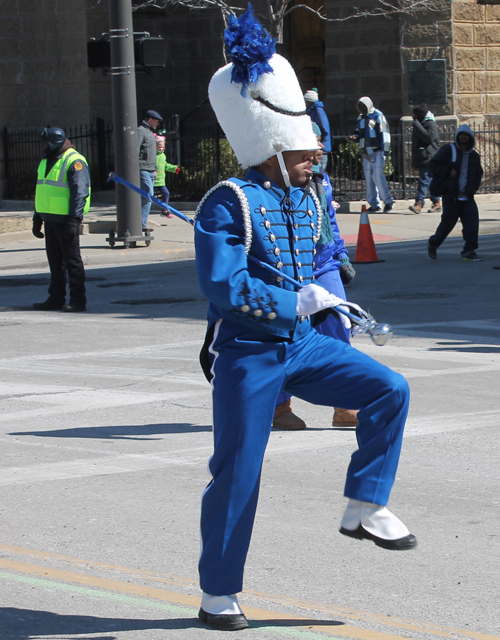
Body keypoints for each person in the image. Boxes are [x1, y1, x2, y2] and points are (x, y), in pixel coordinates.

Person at [194, 7, 416, 632]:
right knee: (237, 472)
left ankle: (364, 505)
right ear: (269, 145)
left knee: (389, 389)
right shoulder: (227, 202)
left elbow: (320, 250)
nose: (315, 156)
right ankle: (218, 595)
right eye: (302, 150)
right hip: (247, 350)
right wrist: (294, 301)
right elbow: (222, 285)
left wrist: (330, 288)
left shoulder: (308, 194)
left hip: (301, 346)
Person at [273, 123, 358, 431]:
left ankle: (344, 405)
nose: (321, 147)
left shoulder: (321, 179)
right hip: (293, 267)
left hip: (324, 263)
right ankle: (279, 406)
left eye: (320, 141)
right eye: (314, 142)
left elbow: (330, 222)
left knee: (339, 327)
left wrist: (341, 255)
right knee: (286, 333)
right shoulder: (281, 182)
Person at [32, 127, 90, 312]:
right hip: (50, 218)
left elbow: (80, 193)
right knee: (55, 262)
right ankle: (55, 299)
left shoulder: (75, 160)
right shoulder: (47, 160)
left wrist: (74, 220)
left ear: (55, 142)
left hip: (66, 219)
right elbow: (43, 191)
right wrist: (37, 217)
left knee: (72, 262)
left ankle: (78, 300)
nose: (43, 146)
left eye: (45, 142)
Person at [427, 124, 483, 262]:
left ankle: (469, 251)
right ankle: (433, 244)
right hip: (451, 196)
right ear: (457, 137)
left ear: (471, 138)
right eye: (461, 135)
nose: (464, 137)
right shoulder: (448, 150)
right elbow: (433, 165)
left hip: (467, 197)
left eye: (466, 135)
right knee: (447, 224)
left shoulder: (474, 156)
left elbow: (478, 175)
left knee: (472, 224)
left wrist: (473, 189)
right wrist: (447, 172)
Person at [351, 97, 394, 213]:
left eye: (363, 106)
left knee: (378, 176)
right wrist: (355, 137)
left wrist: (385, 150)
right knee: (369, 179)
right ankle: (374, 203)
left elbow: (384, 132)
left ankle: (388, 201)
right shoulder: (360, 118)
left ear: (368, 105)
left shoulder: (377, 115)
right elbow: (359, 132)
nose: (361, 109)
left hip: (378, 151)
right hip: (366, 152)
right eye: (359, 106)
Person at [409, 104, 441, 214]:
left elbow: (429, 138)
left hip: (430, 157)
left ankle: (419, 203)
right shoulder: (419, 125)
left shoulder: (430, 123)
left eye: (416, 114)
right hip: (422, 157)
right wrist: (414, 162)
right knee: (429, 181)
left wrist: (417, 125)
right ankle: (437, 202)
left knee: (424, 179)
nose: (414, 116)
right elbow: (415, 145)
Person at [138, 109, 162, 231]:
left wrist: (155, 168)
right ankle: (141, 224)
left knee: (147, 197)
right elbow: (135, 151)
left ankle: (142, 223)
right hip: (143, 169)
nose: (157, 124)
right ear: (150, 120)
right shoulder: (141, 132)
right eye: (156, 121)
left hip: (149, 169)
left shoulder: (149, 133)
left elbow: (153, 154)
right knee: (148, 196)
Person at [304, 88, 331, 172]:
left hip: (320, 148)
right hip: (316, 147)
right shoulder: (312, 111)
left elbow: (324, 128)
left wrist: (319, 142)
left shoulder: (318, 111)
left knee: (320, 172)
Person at [153, 135, 180, 218]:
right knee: (148, 195)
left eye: (162, 147)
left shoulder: (163, 156)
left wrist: (174, 168)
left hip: (160, 180)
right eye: (159, 147)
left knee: (166, 193)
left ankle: (164, 210)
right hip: (153, 180)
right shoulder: (153, 155)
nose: (161, 149)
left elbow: (165, 165)